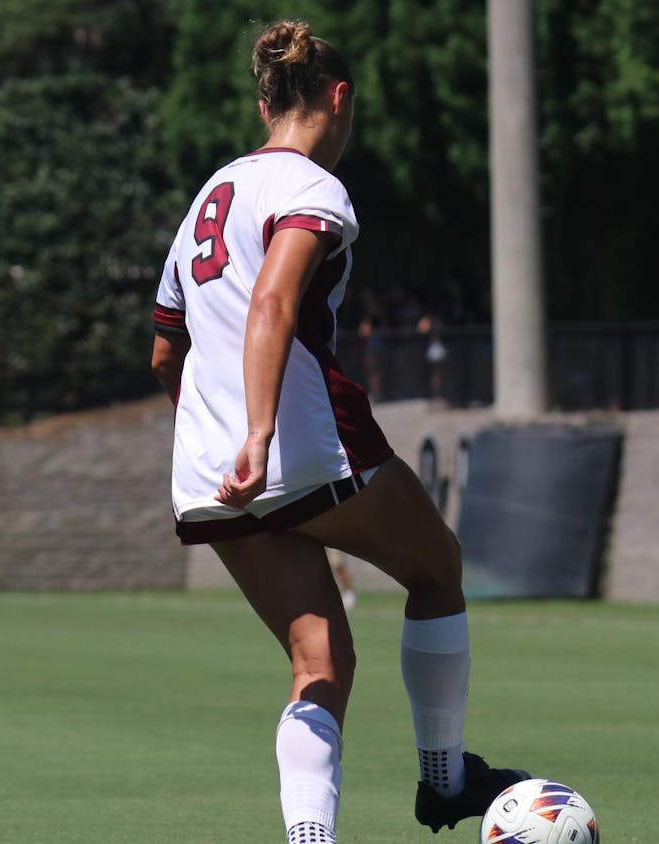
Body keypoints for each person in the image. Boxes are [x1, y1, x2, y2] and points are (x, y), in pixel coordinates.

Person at [149, 20, 526, 843]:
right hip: (297, 444)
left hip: (207, 471)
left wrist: (215, 439)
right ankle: (446, 780)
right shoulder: (312, 188)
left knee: (319, 668)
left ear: (263, 103)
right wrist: (258, 434)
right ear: (339, 99)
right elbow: (274, 303)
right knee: (437, 568)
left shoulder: (208, 197)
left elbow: (163, 350)